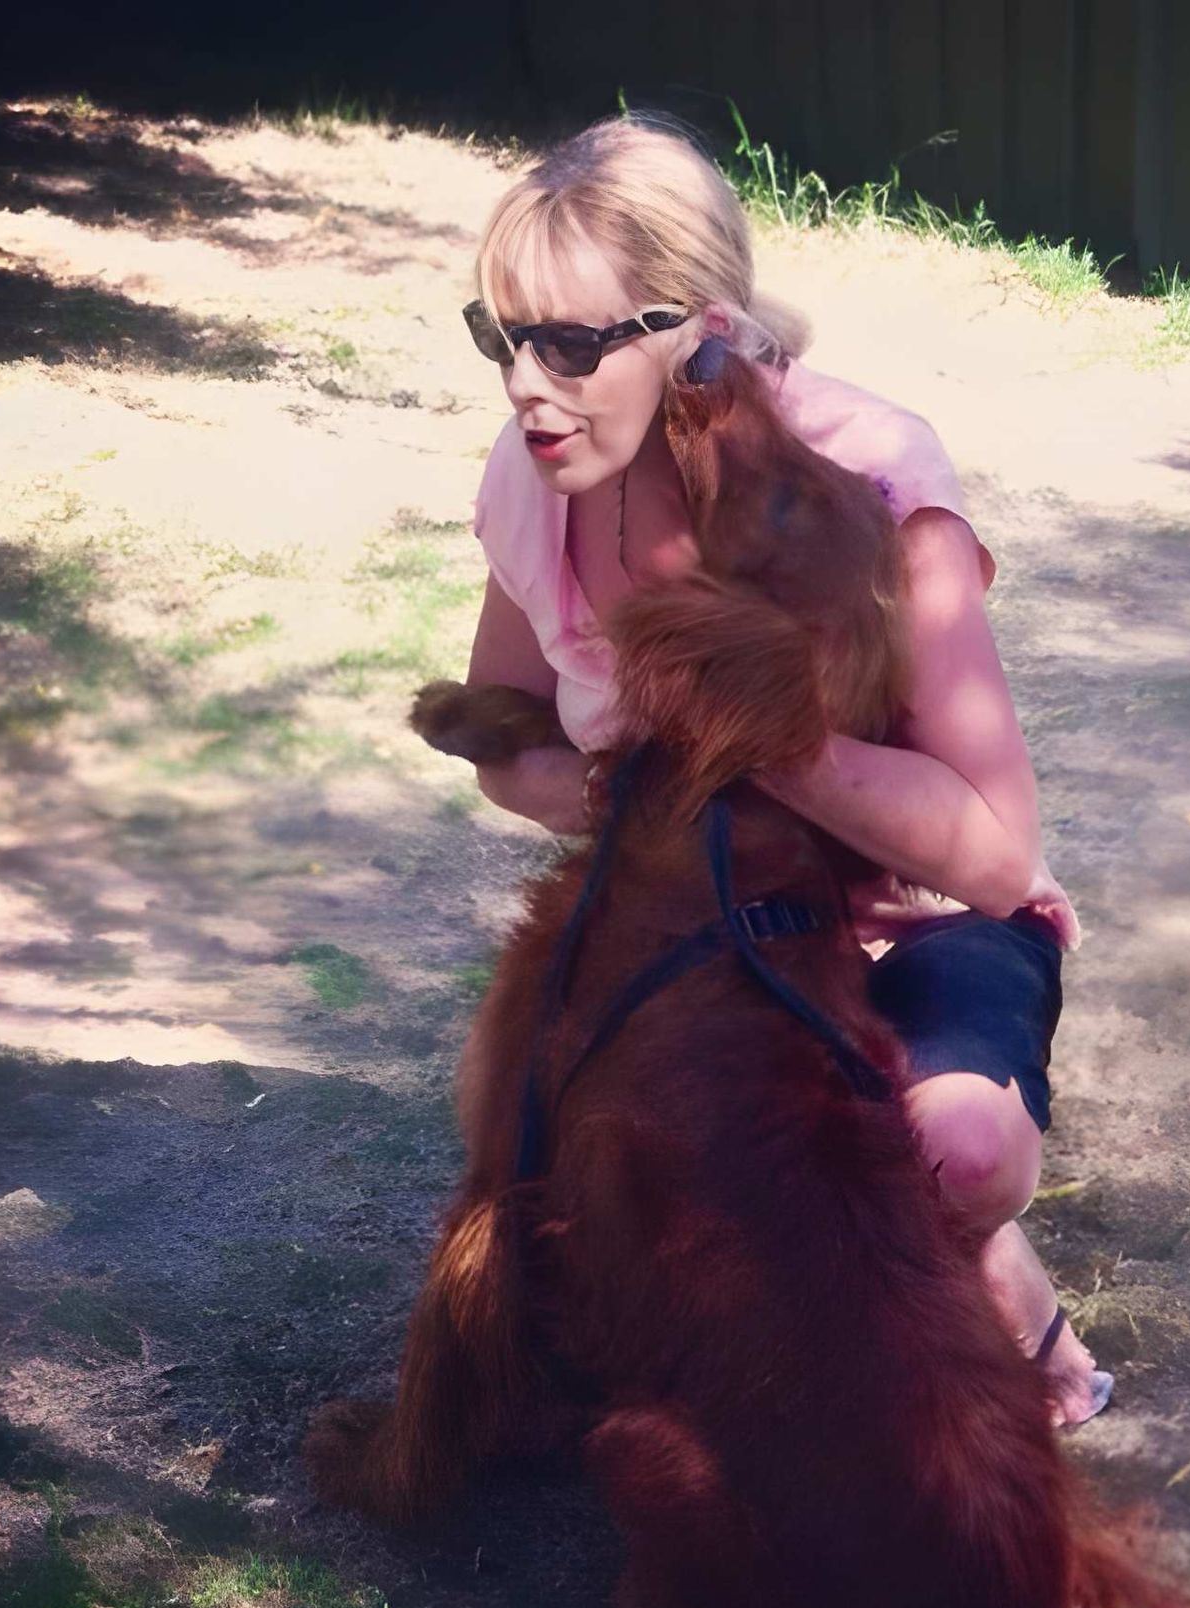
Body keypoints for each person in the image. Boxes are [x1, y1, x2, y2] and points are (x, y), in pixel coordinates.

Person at [460, 114, 1111, 1427]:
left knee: (949, 1155)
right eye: (503, 337)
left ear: (698, 331)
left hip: (908, 927)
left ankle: (991, 1294)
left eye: (575, 344)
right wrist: (636, 804)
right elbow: (509, 737)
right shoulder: (539, 478)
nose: (530, 385)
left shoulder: (865, 483)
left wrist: (769, 745)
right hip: (704, 923)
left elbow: (989, 851)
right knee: (538, 1143)